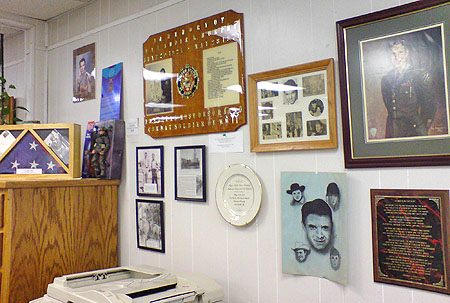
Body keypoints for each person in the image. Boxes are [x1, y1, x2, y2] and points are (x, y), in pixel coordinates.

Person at [381, 39, 436, 138]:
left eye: (400, 52)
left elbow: (429, 106)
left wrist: (423, 126)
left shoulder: (419, 76)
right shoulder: (386, 79)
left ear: (406, 53)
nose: (397, 57)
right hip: (393, 131)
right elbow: (389, 106)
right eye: (393, 54)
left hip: (413, 129)